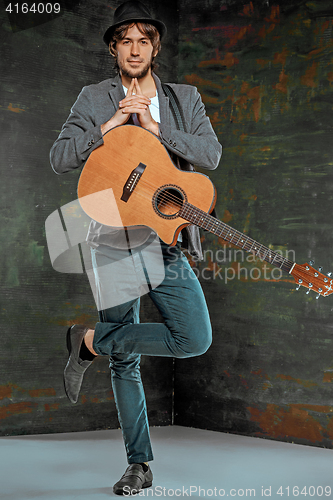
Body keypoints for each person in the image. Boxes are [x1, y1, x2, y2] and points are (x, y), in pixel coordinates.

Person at [50, 0, 222, 495]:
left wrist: (155, 130)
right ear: (113, 48)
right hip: (112, 239)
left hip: (168, 239)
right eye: (125, 40)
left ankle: (88, 342)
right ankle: (138, 465)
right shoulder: (93, 97)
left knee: (193, 338)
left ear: (155, 47)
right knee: (126, 359)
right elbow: (61, 158)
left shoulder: (182, 98)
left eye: (143, 40)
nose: (134, 48)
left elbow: (210, 154)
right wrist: (107, 129)